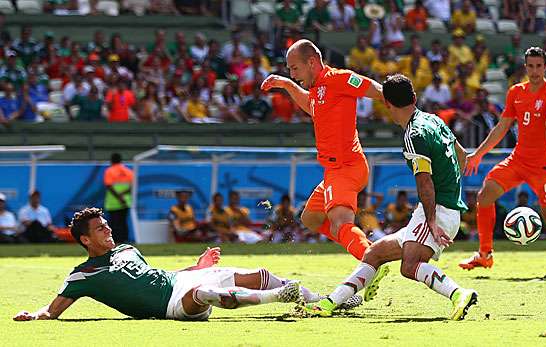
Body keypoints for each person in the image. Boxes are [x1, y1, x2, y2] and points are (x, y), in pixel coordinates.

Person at [302, 74, 477, 320]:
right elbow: (461, 154)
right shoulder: (434, 120)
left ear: (387, 104)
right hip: (438, 208)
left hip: (436, 212)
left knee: (409, 266)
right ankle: (329, 304)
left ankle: (459, 293)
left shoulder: (413, 135)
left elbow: (424, 182)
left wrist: (433, 221)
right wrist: (451, 189)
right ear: (414, 98)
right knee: (374, 253)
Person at [12, 208, 361, 322]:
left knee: (261, 275)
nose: (108, 230)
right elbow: (53, 311)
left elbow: (160, 276)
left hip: (180, 282)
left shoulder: (129, 250)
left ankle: (329, 301)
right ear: (86, 240)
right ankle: (279, 299)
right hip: (173, 305)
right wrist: (35, 314)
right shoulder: (83, 275)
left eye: (106, 225)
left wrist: (197, 264)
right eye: (101, 229)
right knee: (207, 292)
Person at [260, 39, 384, 264]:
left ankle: (370, 258)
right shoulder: (318, 89)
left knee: (339, 222)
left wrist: (400, 104)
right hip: (335, 170)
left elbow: (374, 89)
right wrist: (287, 85)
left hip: (345, 167)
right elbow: (311, 106)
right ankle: (359, 244)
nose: (293, 73)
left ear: (311, 62)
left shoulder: (337, 78)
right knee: (310, 218)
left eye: (294, 68)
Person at [459, 47, 546, 277]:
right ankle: (485, 255)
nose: (534, 71)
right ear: (526, 67)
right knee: (485, 196)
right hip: (517, 160)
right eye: (530, 66)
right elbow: (502, 127)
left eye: (539, 66)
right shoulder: (515, 92)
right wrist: (479, 153)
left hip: (543, 166)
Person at [103, 153, 133, 243]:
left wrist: (118, 196)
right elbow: (132, 187)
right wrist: (123, 195)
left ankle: (114, 241)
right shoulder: (128, 171)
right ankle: (124, 240)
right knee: (123, 222)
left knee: (114, 223)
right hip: (126, 201)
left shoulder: (109, 171)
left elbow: (109, 186)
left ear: (111, 161)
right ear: (121, 160)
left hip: (113, 202)